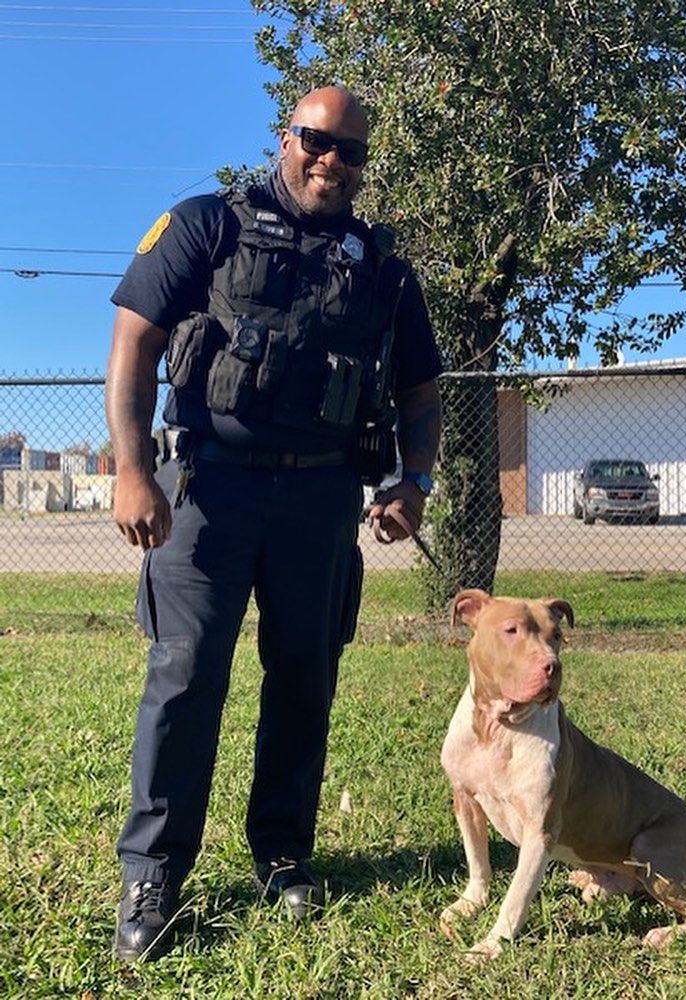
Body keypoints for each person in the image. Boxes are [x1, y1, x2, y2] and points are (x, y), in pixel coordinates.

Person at [106, 85, 442, 962]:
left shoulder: (384, 266)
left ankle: (284, 854)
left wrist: (415, 480)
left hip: (322, 500)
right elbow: (135, 335)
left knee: (304, 682)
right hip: (208, 495)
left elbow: (419, 384)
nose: (332, 161)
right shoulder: (207, 224)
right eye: (317, 141)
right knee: (184, 682)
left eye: (352, 152)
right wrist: (135, 471)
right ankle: (153, 873)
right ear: (285, 137)